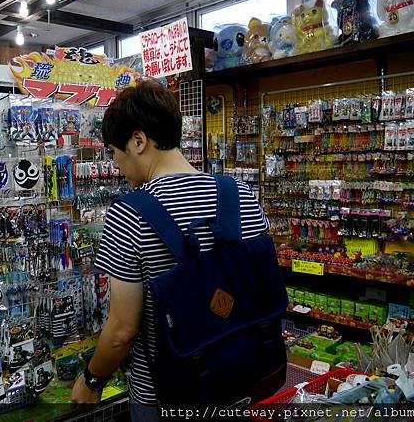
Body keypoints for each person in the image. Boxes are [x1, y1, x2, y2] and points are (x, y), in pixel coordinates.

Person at [71, 80, 270, 421]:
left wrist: (91, 380)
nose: (115, 164)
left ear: (138, 141)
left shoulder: (128, 212)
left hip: (169, 394)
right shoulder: (240, 194)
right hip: (244, 372)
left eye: (115, 152)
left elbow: (122, 330)